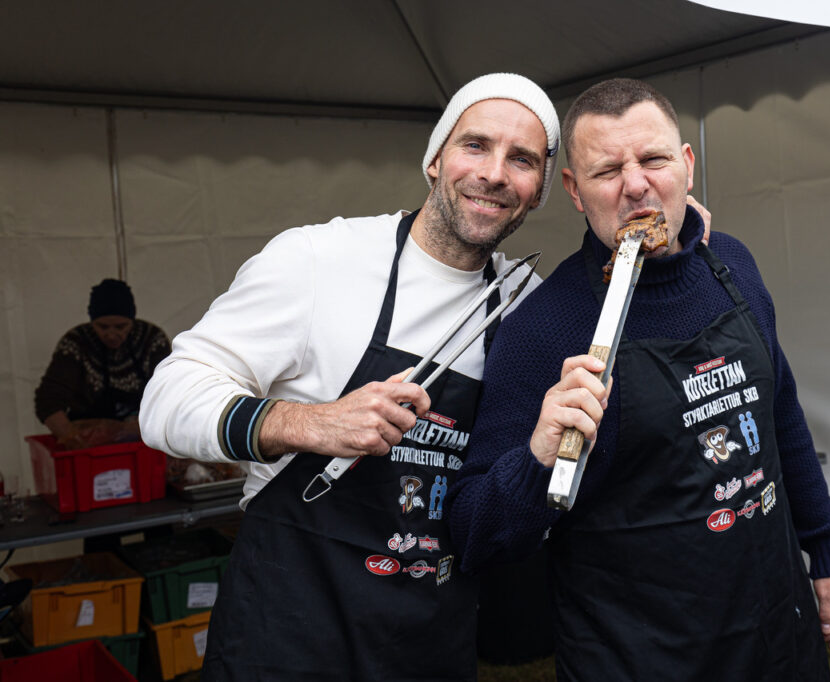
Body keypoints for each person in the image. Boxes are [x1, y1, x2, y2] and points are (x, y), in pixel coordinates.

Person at [139, 73, 560, 681]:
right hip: (287, 635)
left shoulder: (528, 306)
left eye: (522, 159)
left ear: (540, 189)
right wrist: (307, 423)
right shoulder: (320, 260)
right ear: (435, 159)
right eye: (475, 145)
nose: (494, 173)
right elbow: (166, 398)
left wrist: (678, 239)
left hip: (428, 643)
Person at [448, 78, 830, 681]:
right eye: (607, 170)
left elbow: (781, 413)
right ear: (574, 190)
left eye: (654, 160)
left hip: (778, 632)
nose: (636, 185)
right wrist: (537, 455)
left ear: (687, 165)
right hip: (642, 656)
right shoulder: (542, 328)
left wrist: (824, 547)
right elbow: (476, 534)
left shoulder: (732, 266)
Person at [35, 278, 170, 449]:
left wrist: (138, 430)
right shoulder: (75, 343)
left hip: (145, 444)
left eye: (121, 327)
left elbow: (170, 393)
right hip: (91, 449)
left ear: (132, 320)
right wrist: (71, 438)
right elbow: (48, 401)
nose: (111, 335)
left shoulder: (152, 339)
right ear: (91, 321)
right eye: (103, 327)